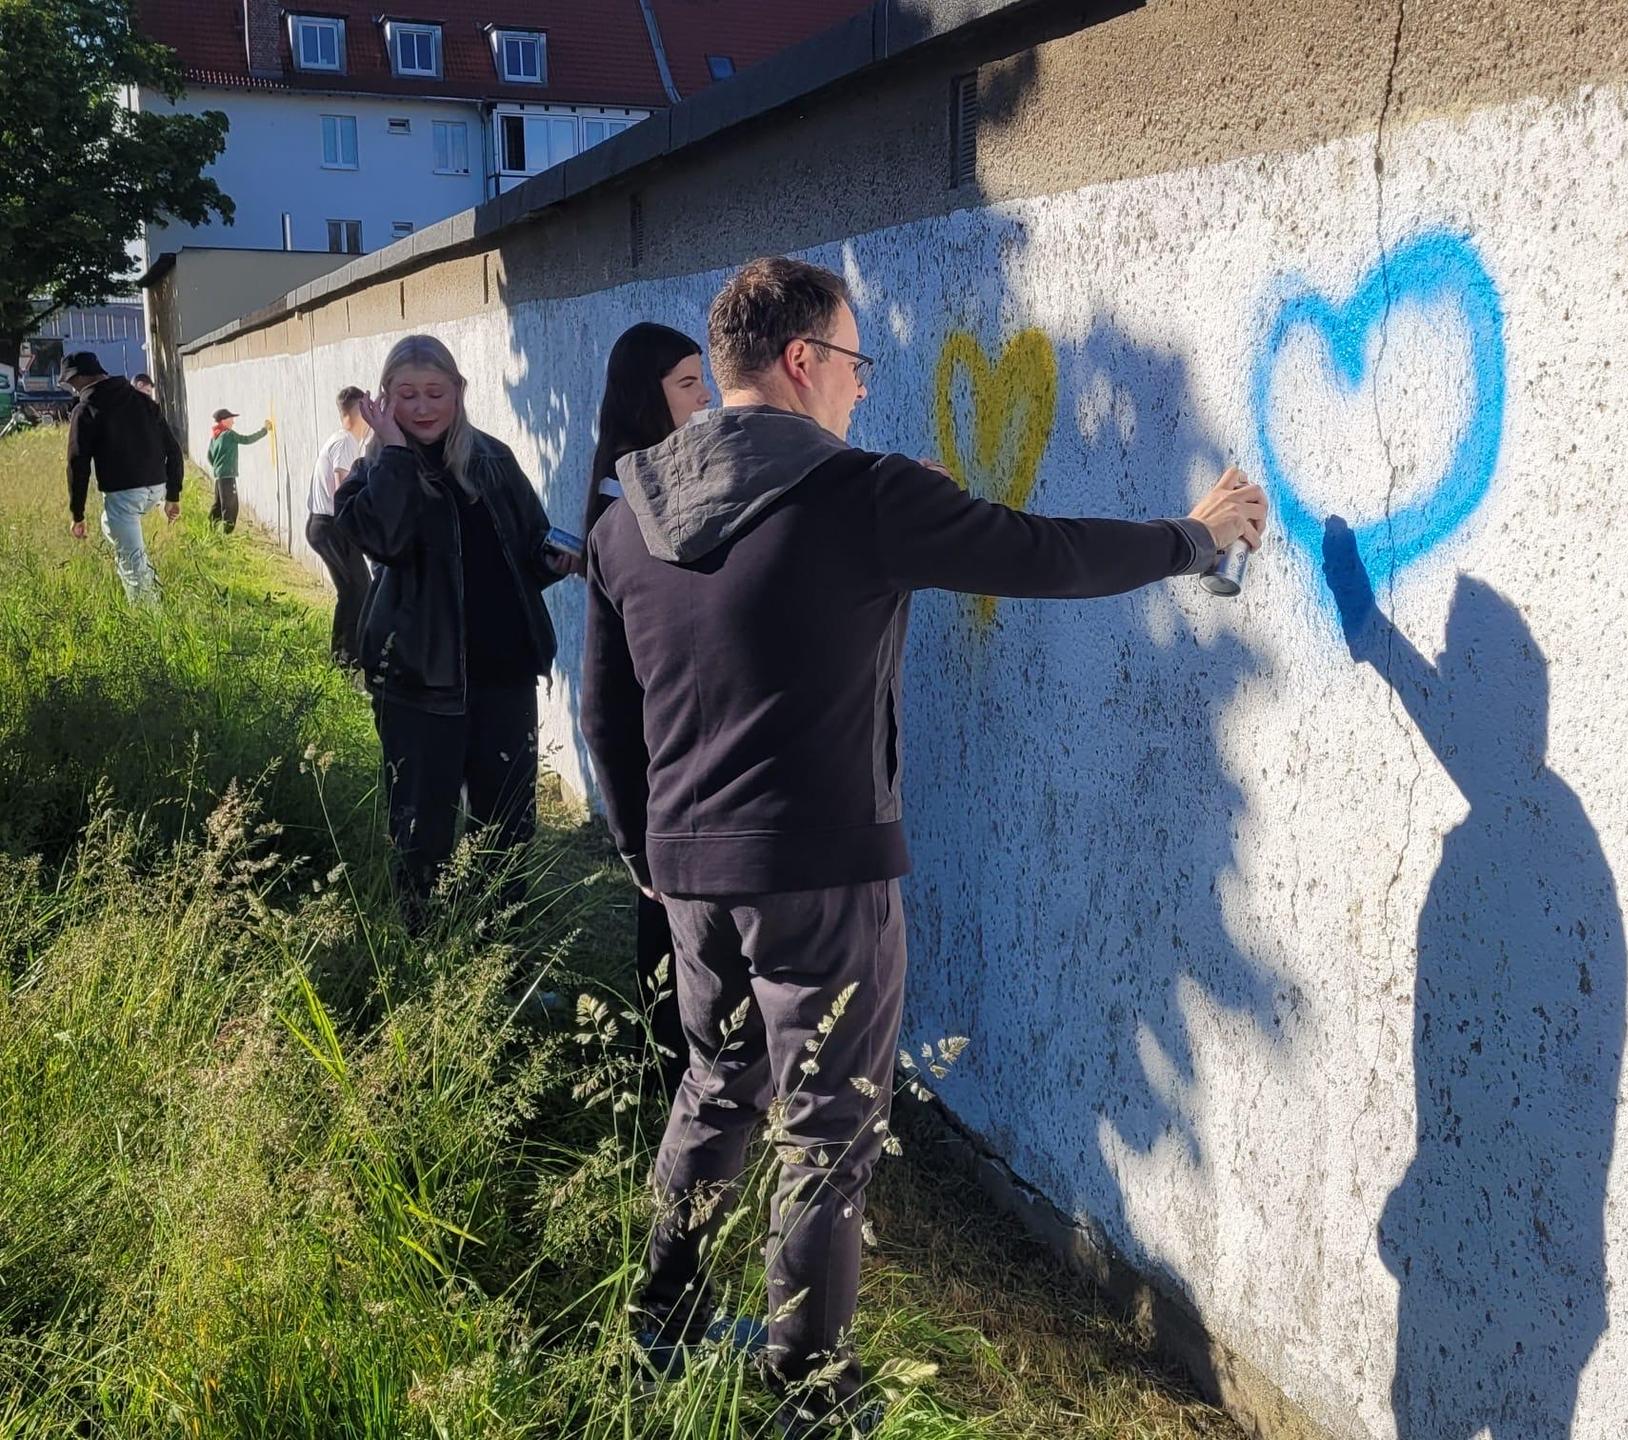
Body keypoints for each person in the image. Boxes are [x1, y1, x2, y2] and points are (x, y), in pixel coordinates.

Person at [578, 256, 1267, 1437]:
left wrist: (654, 854)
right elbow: (1043, 554)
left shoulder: (625, 518)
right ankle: (809, 1391)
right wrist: (1191, 539)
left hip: (690, 873)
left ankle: (661, 1324)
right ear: (801, 360)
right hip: (824, 874)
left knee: (715, 1089)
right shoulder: (863, 495)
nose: (862, 388)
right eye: (855, 364)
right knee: (828, 1130)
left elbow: (605, 715)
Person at [332, 335, 573, 921]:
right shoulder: (369, 474)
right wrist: (393, 452)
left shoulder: (493, 460)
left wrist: (553, 559)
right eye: (407, 394)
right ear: (383, 399)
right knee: (422, 831)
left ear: (459, 392)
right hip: (418, 680)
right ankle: (424, 943)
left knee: (507, 826)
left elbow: (527, 545)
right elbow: (385, 541)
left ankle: (496, 941)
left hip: (504, 675)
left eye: (435, 392)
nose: (422, 407)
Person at [581, 323, 712, 1093]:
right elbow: (606, 707)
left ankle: (668, 1080)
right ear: (645, 397)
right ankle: (665, 1088)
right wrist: (632, 838)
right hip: (663, 759)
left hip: (669, 762)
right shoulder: (629, 500)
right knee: (666, 939)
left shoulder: (663, 478)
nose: (707, 398)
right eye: (688, 384)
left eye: (703, 380)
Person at [62, 350, 184, 605]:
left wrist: (78, 514)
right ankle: (152, 585)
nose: (72, 389)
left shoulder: (86, 410)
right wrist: (172, 496)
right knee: (112, 527)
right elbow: (173, 449)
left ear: (80, 378)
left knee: (131, 563)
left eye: (71, 383)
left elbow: (78, 465)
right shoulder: (142, 400)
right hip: (157, 488)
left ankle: (149, 619)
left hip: (125, 494)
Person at [305, 386, 374, 667]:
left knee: (351, 590)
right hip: (332, 526)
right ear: (359, 412)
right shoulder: (346, 442)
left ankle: (341, 659)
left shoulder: (338, 439)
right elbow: (343, 492)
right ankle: (349, 660)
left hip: (322, 526)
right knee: (360, 589)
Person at [205, 408, 271, 532]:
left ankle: (210, 530)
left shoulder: (215, 436)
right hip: (228, 477)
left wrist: (218, 467)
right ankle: (226, 535)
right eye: (231, 419)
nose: (233, 422)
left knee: (218, 506)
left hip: (219, 477)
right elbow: (246, 440)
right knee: (231, 507)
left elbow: (209, 456)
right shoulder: (229, 434)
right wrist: (264, 430)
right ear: (224, 420)